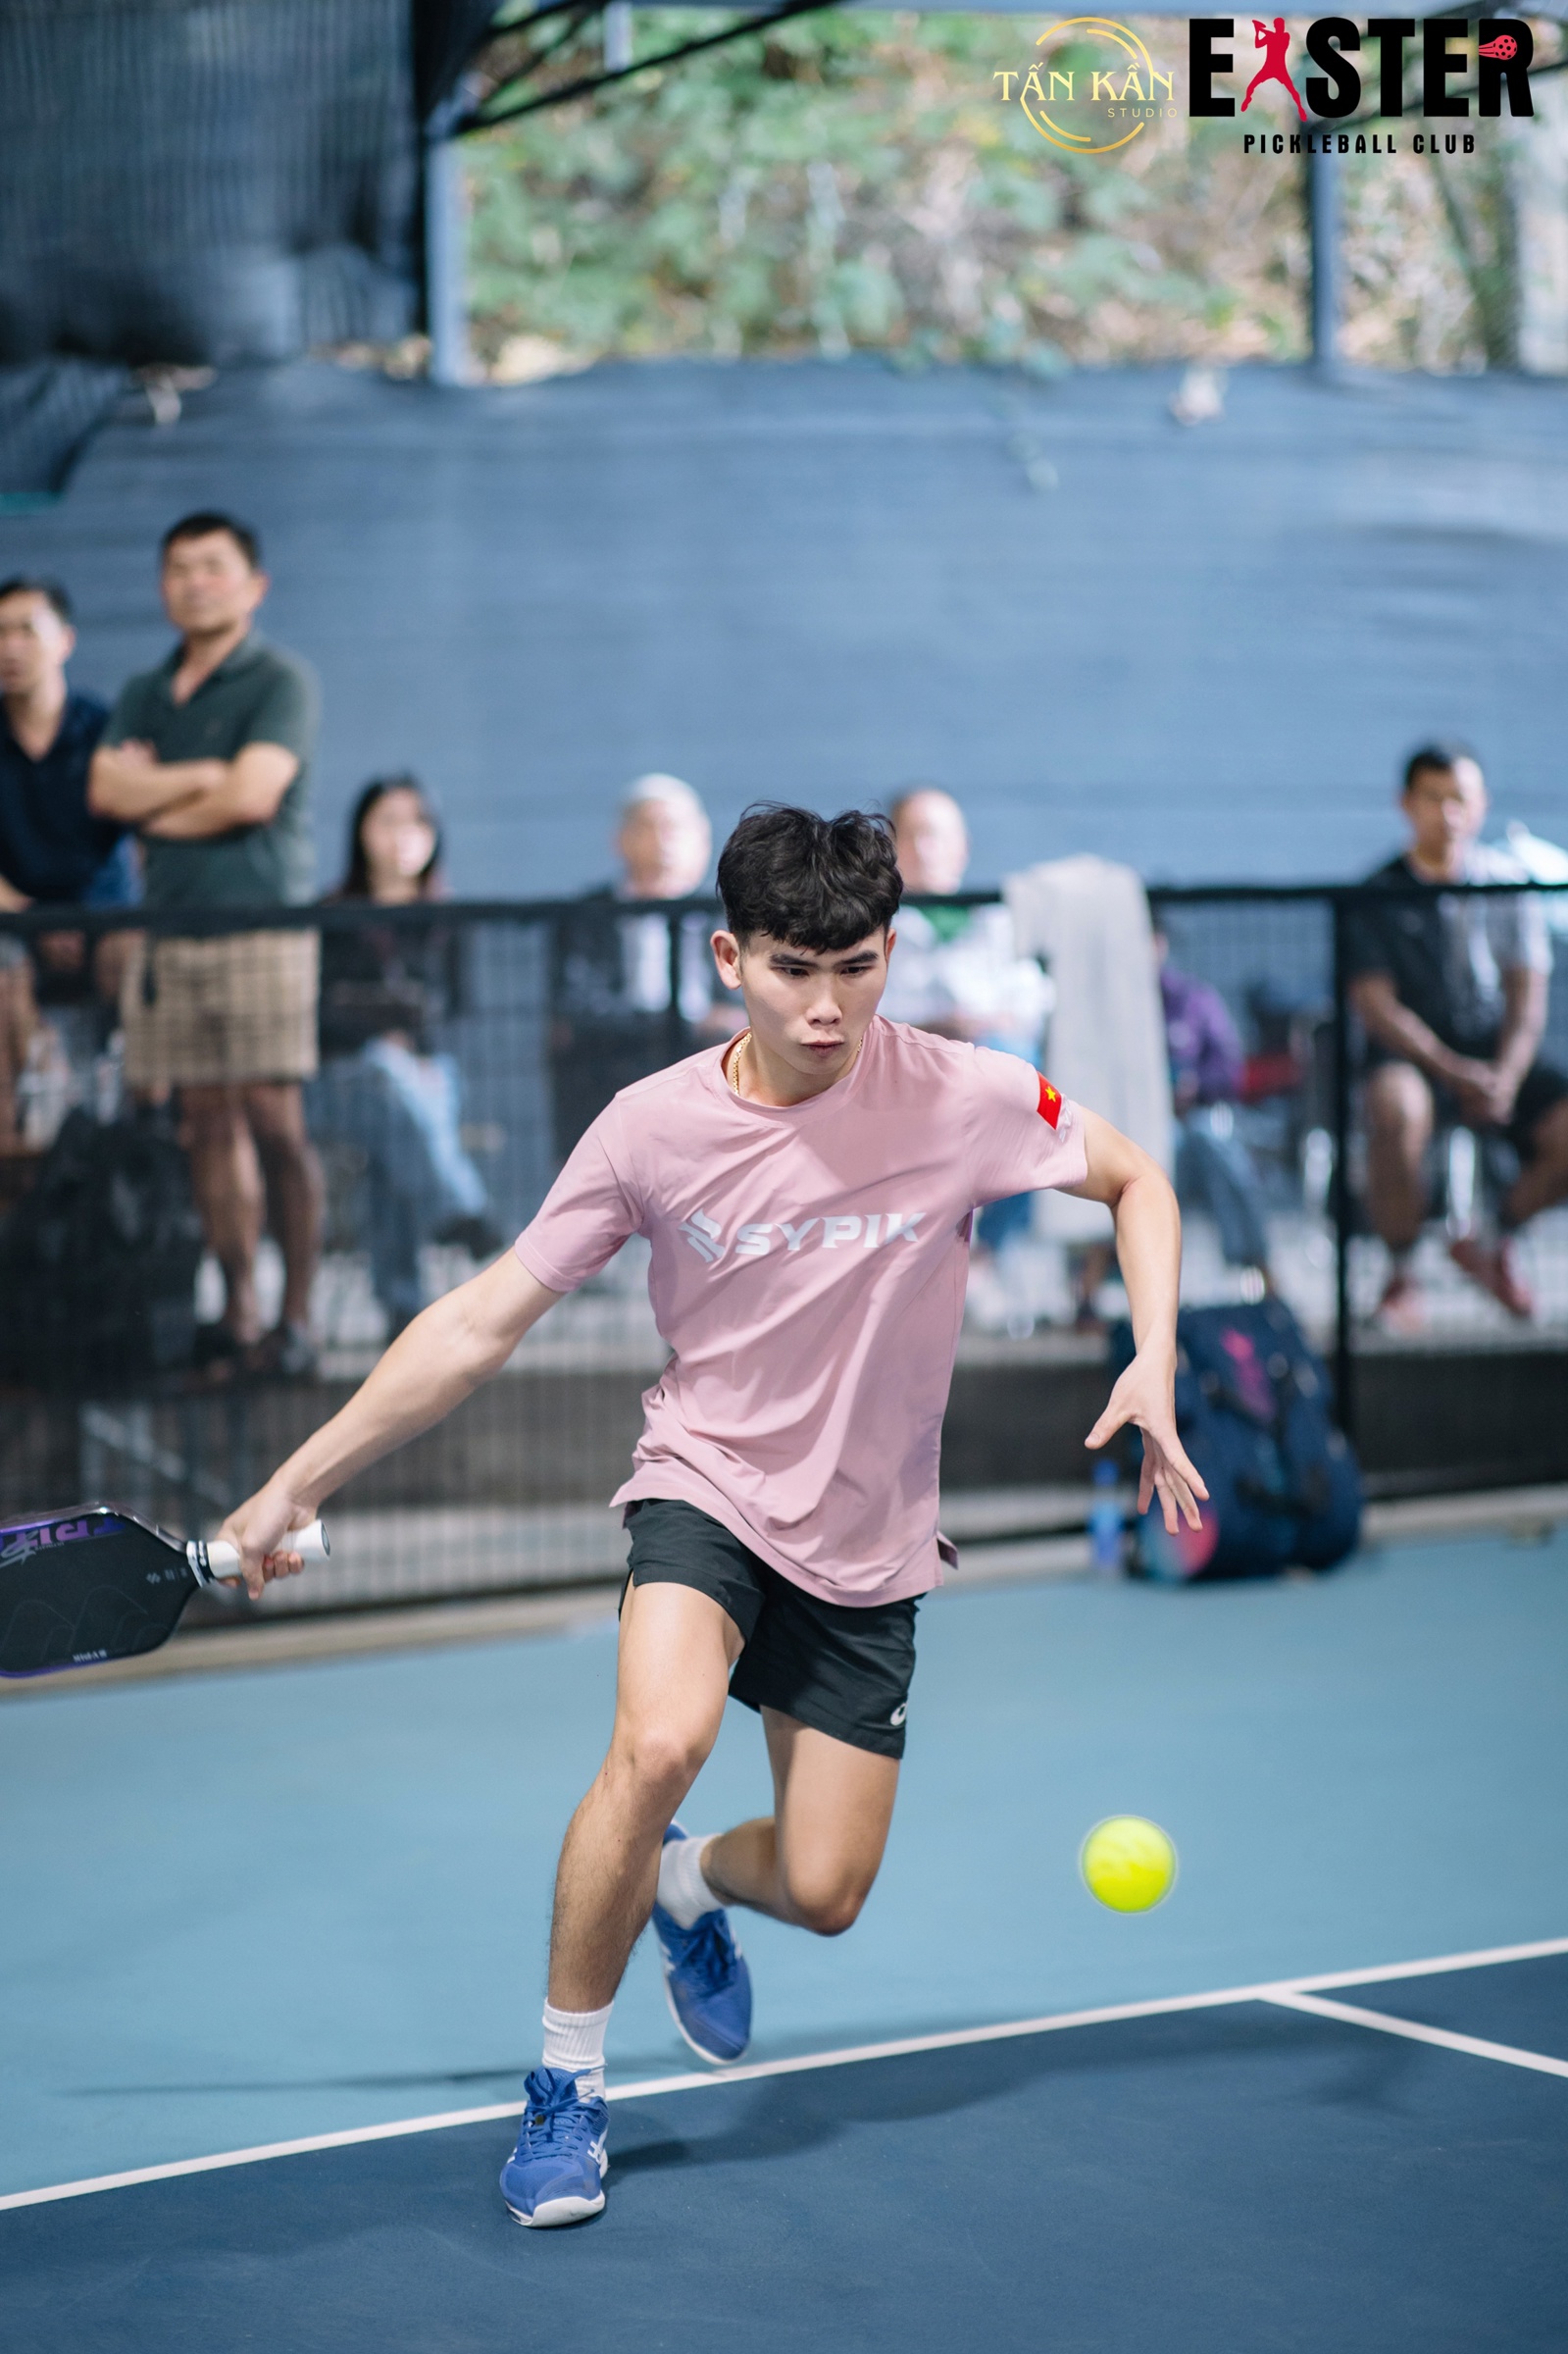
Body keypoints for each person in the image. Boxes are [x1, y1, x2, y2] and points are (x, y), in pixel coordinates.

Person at [215, 805, 1205, 2231]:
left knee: (824, 1886)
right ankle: (567, 2087)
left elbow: (1135, 1179)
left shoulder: (965, 1094)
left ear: (889, 953)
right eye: (793, 969)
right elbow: (481, 1322)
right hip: (708, 1485)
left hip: (867, 1537)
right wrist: (298, 1481)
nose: (826, 1007)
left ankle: (684, 1887)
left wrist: (1154, 1355)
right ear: (729, 959)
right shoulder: (651, 1128)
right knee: (659, 1741)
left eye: (856, 967)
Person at [87, 512, 324, 1376]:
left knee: (274, 1122)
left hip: (261, 929)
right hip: (170, 936)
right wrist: (198, 781)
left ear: (254, 585)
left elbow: (252, 798)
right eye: (179, 568)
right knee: (207, 1123)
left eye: (213, 566)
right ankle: (239, 1311)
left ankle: (297, 1320)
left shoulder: (280, 680)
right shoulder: (145, 690)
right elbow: (104, 793)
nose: (195, 583)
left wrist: (154, 803)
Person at [1345, 743, 1568, 1328]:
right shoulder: (1377, 895)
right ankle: (1401, 1272)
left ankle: (1493, 1243)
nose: (1447, 813)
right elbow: (1377, 1007)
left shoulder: (1509, 885)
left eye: (1459, 799)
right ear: (1406, 803)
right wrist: (1451, 1069)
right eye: (1433, 797)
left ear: (1481, 804)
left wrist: (1506, 1076)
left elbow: (1527, 994)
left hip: (1494, 1054)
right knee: (1393, 1107)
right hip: (1414, 1060)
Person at [311, 777, 499, 1336]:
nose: (402, 835)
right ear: (361, 832)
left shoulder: (444, 918)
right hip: (341, 1080)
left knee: (395, 1131)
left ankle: (401, 1307)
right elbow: (317, 1014)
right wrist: (384, 1031)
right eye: (387, 821)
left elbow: (454, 1009)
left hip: (422, 1077)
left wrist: (398, 1035)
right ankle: (459, 1208)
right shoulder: (331, 914)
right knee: (383, 1072)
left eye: (416, 822)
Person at [883, 788, 1052, 1259]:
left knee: (1052, 1115)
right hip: (905, 1079)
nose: (925, 849)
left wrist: (978, 1027)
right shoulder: (866, 925)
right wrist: (936, 1028)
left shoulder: (998, 920)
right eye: (912, 835)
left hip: (995, 1072)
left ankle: (984, 1255)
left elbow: (1032, 1006)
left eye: (937, 835)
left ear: (963, 847)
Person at [0, 577, 137, 1145]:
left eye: (26, 631)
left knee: (138, 962)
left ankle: (143, 1129)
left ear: (65, 641)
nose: (10, 647)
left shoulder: (105, 728)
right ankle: (17, 1146)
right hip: (14, 918)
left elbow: (140, 833)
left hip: (102, 917)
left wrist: (84, 920)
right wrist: (34, 917)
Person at [549, 775, 725, 1162]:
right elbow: (577, 1006)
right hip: (614, 1075)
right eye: (652, 827)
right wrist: (681, 1023)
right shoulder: (586, 917)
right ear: (621, 840)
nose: (665, 842)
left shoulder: (724, 917)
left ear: (702, 840)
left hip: (707, 1082)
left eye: (677, 828)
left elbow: (742, 1011)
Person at [1157, 934, 1271, 1280]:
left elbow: (1229, 1070)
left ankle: (1254, 1266)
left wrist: (1195, 1088)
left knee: (1218, 1147)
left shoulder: (1195, 1000)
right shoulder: (1119, 1005)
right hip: (1143, 1123)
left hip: (1198, 1117)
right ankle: (1098, 1279)